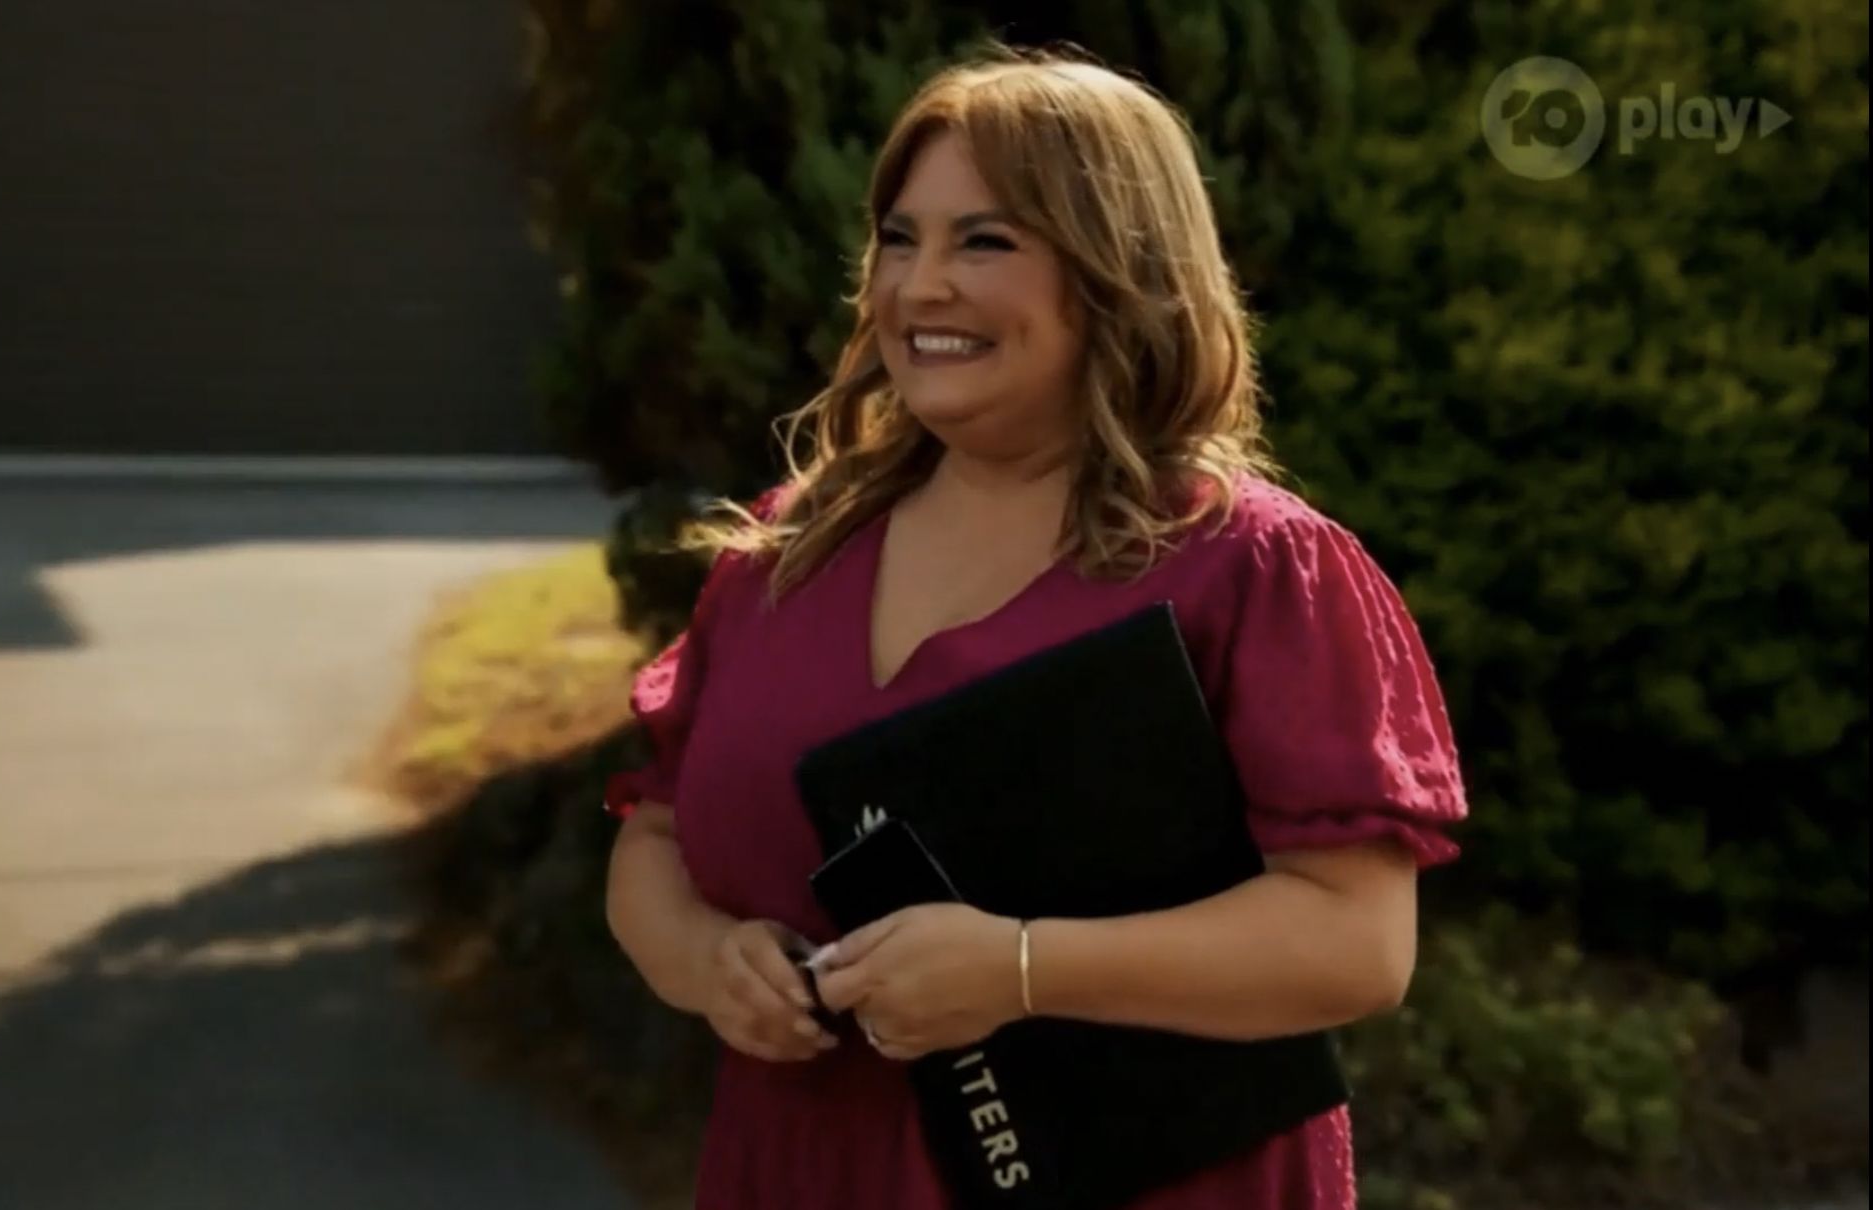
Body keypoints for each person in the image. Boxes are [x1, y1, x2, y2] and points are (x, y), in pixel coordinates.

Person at [601, 47, 1467, 1210]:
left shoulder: (1250, 567)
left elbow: (1356, 944)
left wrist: (1018, 968)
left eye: (985, 242)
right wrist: (707, 964)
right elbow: (653, 839)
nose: (921, 286)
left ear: (1118, 269)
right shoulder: (783, 552)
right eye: (899, 239)